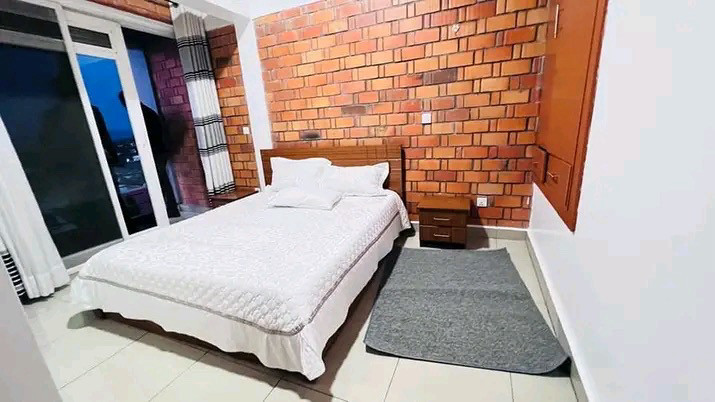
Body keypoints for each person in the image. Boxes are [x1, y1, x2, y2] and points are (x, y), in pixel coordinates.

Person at [118, 91, 180, 218]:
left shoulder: (143, 114)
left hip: (157, 151)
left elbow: (152, 134)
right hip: (159, 150)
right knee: (162, 180)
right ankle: (170, 209)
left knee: (160, 181)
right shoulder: (145, 112)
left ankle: (169, 209)